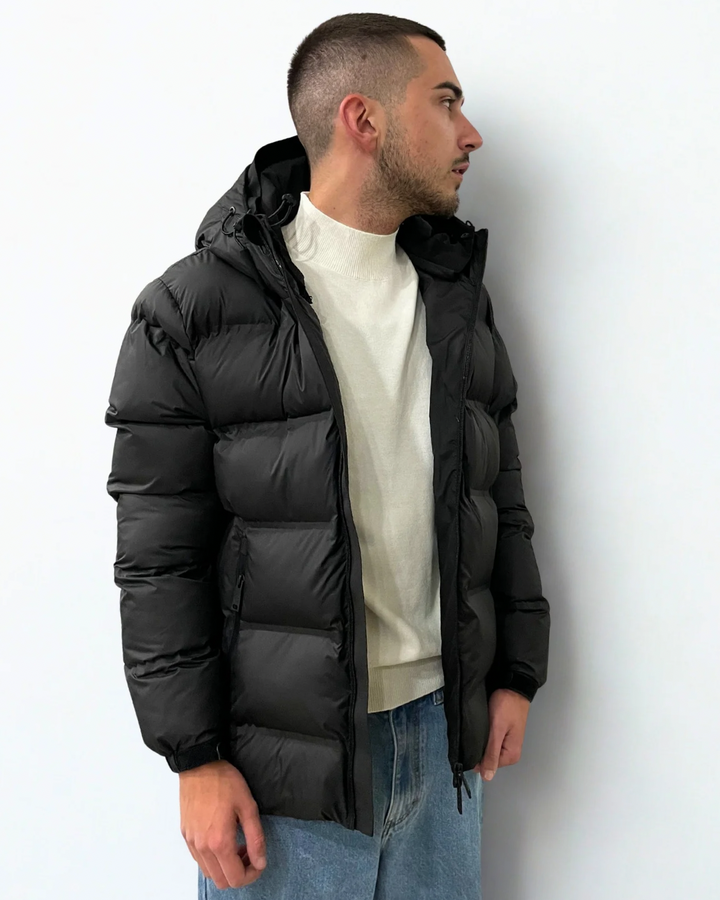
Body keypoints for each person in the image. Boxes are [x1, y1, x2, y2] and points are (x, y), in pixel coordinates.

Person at [104, 12, 550, 900]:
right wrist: (194, 759)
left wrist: (515, 673)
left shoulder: (455, 295)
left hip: (445, 741)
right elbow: (159, 557)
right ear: (363, 118)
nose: (470, 134)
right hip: (283, 773)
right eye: (446, 102)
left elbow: (499, 493)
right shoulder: (193, 311)